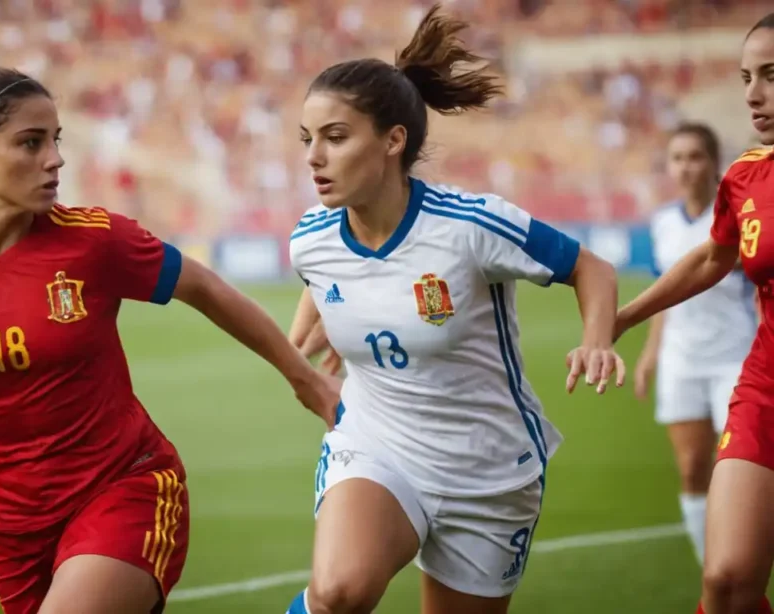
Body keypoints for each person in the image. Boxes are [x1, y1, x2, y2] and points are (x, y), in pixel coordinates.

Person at [0, 66, 341, 614]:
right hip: (6, 526)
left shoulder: (94, 241)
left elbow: (209, 290)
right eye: (30, 143)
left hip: (125, 488)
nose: (54, 159)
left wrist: (305, 378)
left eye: (55, 140)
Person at [282, 6, 625, 614]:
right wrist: (311, 349)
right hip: (377, 445)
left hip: (489, 472)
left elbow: (589, 267)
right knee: (338, 591)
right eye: (307, 139)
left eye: (335, 137)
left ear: (394, 140)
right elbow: (323, 281)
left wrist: (597, 339)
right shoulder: (311, 237)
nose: (314, 156)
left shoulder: (470, 226)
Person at [614, 13, 774, 614]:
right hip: (764, 383)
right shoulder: (747, 174)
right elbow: (712, 255)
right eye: (746, 77)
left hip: (732, 356)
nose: (753, 93)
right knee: (728, 579)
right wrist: (626, 318)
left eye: (771, 74)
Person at [633, 123, 757, 566]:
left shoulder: (741, 216)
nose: (686, 167)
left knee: (738, 470)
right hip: (681, 361)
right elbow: (669, 294)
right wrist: (650, 356)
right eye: (678, 158)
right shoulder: (663, 222)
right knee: (692, 470)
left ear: (714, 163)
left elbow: (761, 290)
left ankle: (740, 557)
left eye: (695, 157)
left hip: (735, 359)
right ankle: (712, 566)